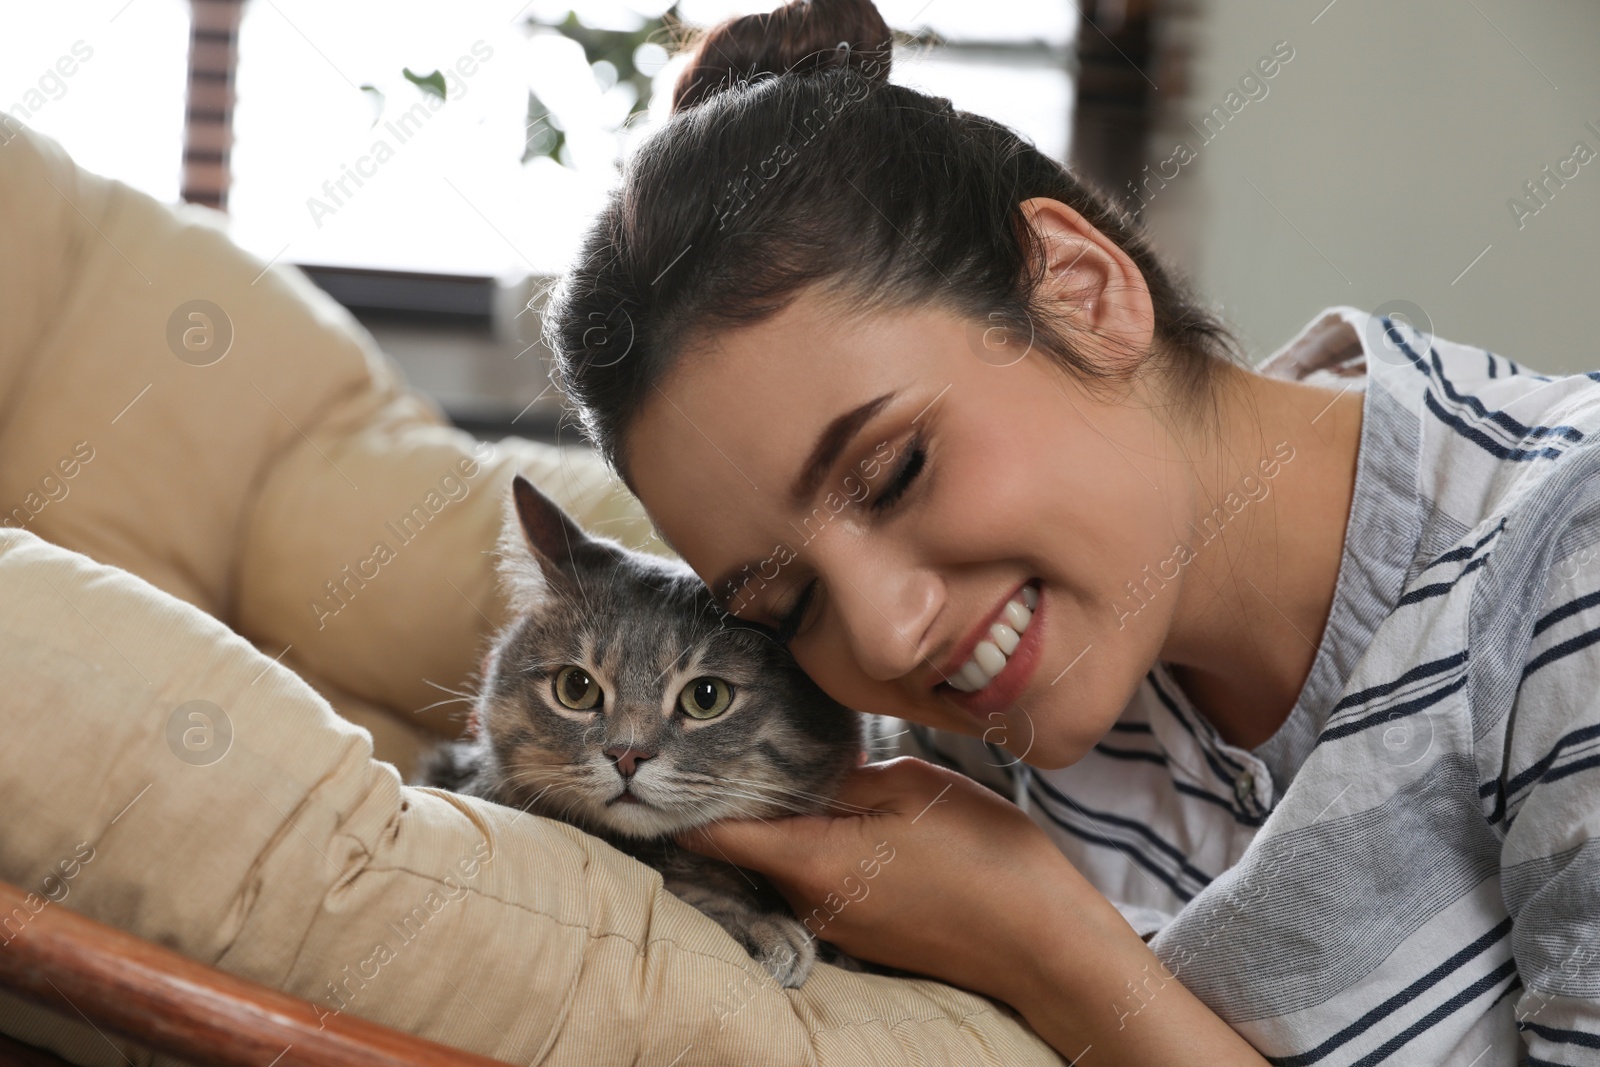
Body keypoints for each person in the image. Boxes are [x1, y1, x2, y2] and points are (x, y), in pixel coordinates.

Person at [539, 0, 1600, 1063]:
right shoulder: (984, 702)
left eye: (894, 471)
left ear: (1082, 292)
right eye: (790, 604)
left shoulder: (1567, 574)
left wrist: (1048, 949)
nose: (886, 637)